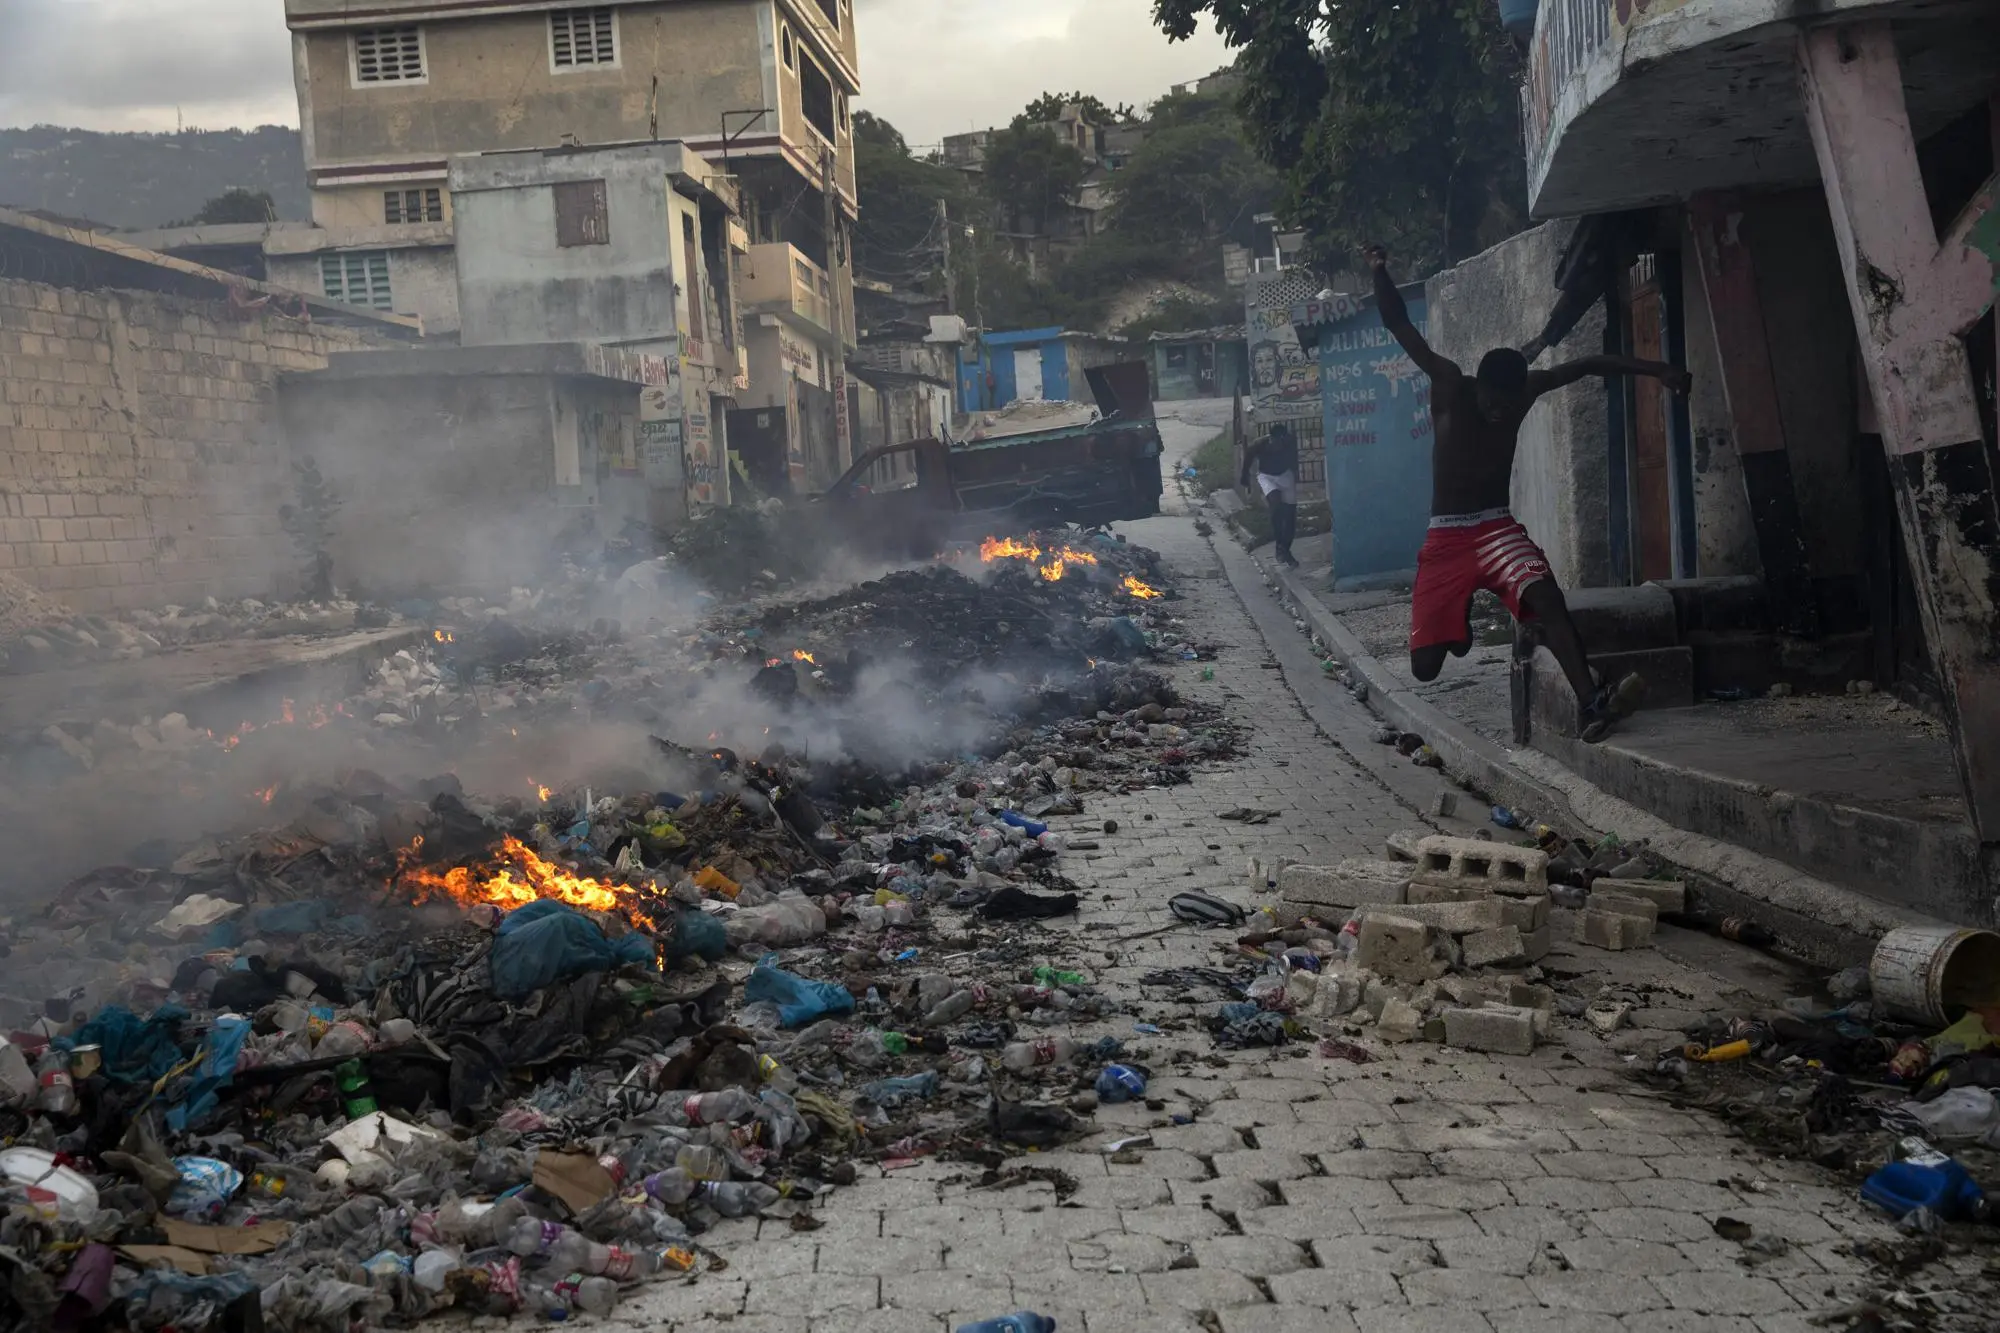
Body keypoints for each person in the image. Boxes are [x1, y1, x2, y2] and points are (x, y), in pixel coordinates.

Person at [1367, 244, 1692, 741]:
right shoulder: (1451, 385)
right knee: (1425, 668)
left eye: (1508, 405)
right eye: (1493, 405)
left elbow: (1585, 365)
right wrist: (1378, 271)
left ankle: (1591, 702)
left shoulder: (1525, 389)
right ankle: (1456, 631)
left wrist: (1657, 369)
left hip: (1496, 526)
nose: (1500, 413)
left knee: (1547, 595)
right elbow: (1399, 327)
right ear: (1479, 390)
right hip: (1447, 539)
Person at [1239, 423, 1301, 567]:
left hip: (1286, 475)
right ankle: (1279, 545)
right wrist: (1245, 477)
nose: (1278, 446)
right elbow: (1248, 457)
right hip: (1267, 476)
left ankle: (1286, 549)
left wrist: (1296, 474)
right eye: (1275, 442)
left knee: (1290, 516)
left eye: (1281, 442)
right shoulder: (1260, 444)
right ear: (1271, 438)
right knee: (1276, 505)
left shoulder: (1290, 441)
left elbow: (1294, 459)